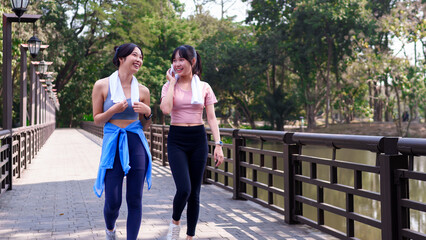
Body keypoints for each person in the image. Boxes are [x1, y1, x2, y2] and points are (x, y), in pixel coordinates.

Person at [160, 45, 224, 240]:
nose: (177, 64)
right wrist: (172, 83)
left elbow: (211, 118)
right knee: (184, 188)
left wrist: (218, 145)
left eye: (182, 60)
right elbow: (165, 109)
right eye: (175, 60)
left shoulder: (204, 87)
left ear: (193, 61)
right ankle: (175, 223)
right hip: (177, 139)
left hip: (198, 139)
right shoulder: (169, 86)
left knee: (195, 192)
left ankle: (190, 236)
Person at [92, 43, 153, 240]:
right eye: (135, 55)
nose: (139, 60)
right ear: (121, 58)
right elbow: (97, 119)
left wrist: (148, 113)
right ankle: (110, 229)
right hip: (113, 144)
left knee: (135, 199)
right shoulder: (102, 85)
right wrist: (113, 110)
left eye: (141, 57)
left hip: (136, 143)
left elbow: (145, 126)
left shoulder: (143, 91)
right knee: (113, 201)